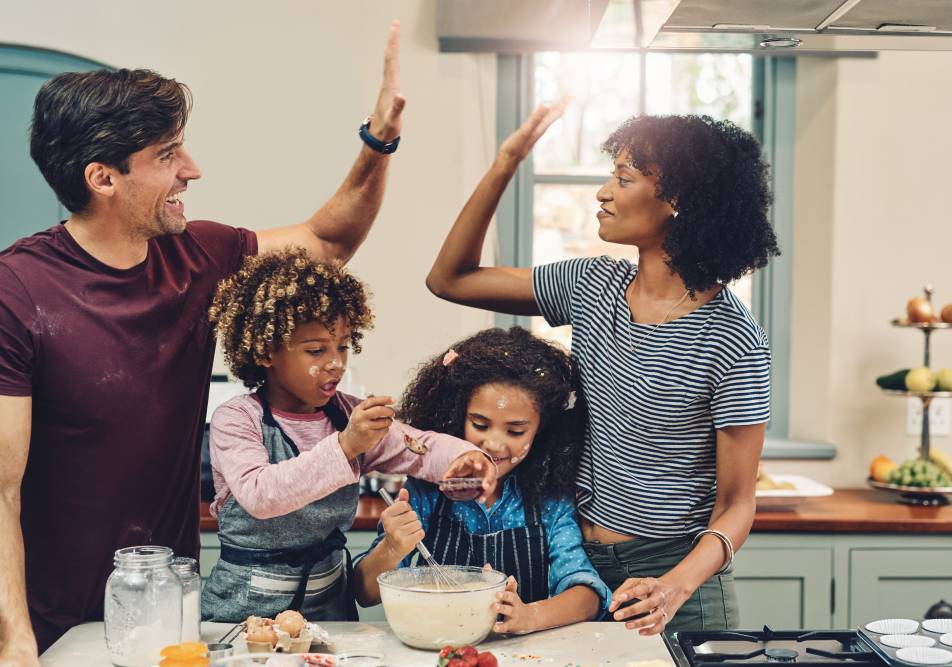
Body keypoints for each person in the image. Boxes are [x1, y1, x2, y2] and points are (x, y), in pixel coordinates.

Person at [0, 22, 406, 660]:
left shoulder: (199, 254)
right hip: (50, 619)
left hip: (169, 606)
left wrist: (379, 140)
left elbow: (329, 242)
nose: (192, 170)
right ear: (103, 178)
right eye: (167, 156)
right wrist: (14, 639)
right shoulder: (16, 289)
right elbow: (1, 488)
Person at [423, 106, 780, 635]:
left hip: (670, 581)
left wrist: (675, 586)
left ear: (676, 200)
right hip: (572, 571)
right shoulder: (592, 285)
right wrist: (505, 163)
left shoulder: (732, 338)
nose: (603, 193)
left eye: (623, 178)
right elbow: (450, 279)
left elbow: (736, 506)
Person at [199, 248, 495, 621]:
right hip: (242, 613)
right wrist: (346, 445)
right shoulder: (237, 419)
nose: (336, 362)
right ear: (265, 351)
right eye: (315, 350)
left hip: (330, 612)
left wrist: (466, 459)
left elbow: (419, 446)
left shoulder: (347, 415)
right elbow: (261, 495)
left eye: (342, 346)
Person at [353, 327, 612, 635]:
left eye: (515, 431)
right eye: (480, 424)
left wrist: (531, 616)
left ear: (542, 430)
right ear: (457, 415)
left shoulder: (548, 500)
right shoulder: (425, 490)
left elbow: (588, 596)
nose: (494, 444)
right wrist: (392, 548)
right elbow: (364, 592)